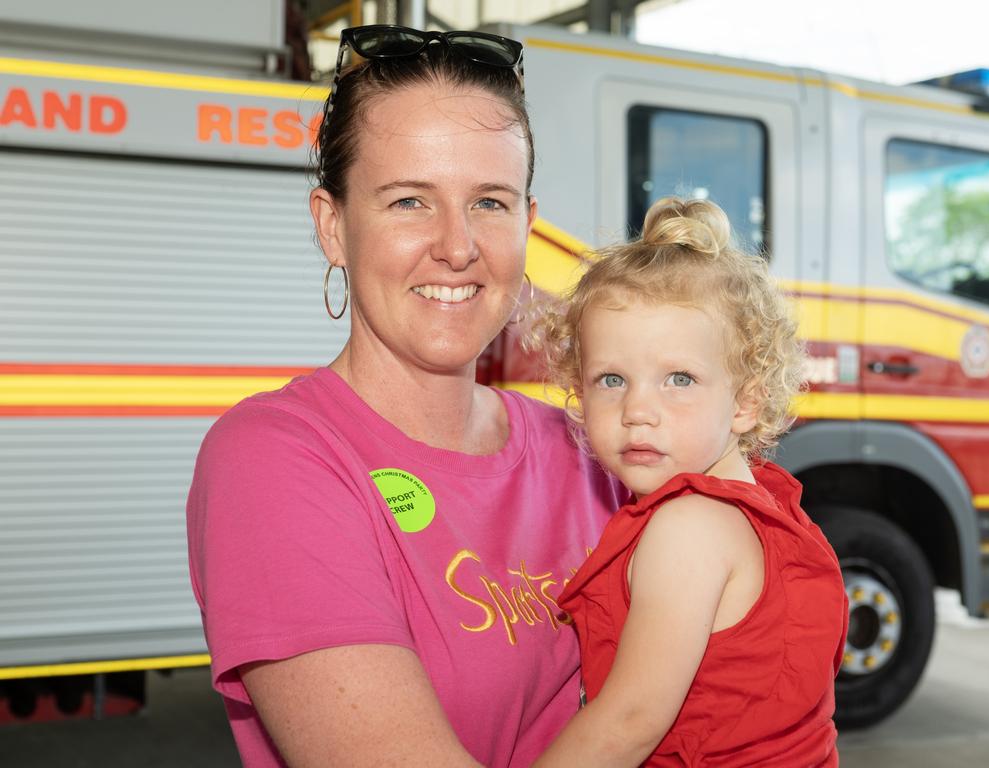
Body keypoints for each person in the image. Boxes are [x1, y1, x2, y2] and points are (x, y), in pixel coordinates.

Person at [185, 26, 622, 768]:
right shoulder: (276, 461)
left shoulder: (589, 450)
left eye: (489, 201)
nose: (457, 247)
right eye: (410, 202)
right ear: (333, 226)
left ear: (528, 223)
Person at [533, 198, 849, 767]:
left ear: (746, 402)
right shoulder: (769, 504)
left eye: (679, 379)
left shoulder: (688, 527)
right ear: (577, 391)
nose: (637, 410)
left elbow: (629, 723)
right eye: (611, 379)